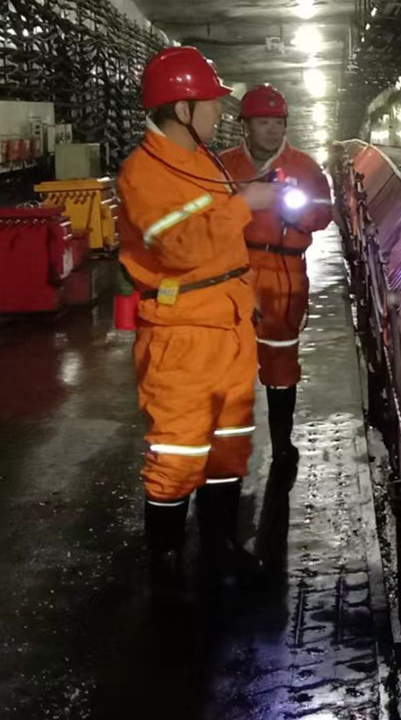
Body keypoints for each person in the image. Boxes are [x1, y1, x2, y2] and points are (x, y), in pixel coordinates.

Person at [117, 46, 281, 598]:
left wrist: (247, 292)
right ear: (182, 108)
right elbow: (181, 246)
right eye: (211, 103)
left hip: (228, 324)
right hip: (183, 333)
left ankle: (220, 550)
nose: (220, 111)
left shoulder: (203, 160)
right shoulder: (144, 173)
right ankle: (164, 569)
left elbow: (219, 240)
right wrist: (246, 202)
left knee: (229, 446)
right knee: (179, 453)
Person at [219, 84, 334, 466]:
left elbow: (325, 212)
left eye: (277, 122)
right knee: (228, 359)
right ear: (245, 126)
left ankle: (282, 444)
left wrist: (298, 214)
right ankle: (228, 448)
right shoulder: (223, 166)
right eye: (262, 122)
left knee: (281, 360)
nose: (271, 129)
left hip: (284, 272)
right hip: (233, 271)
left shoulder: (304, 166)